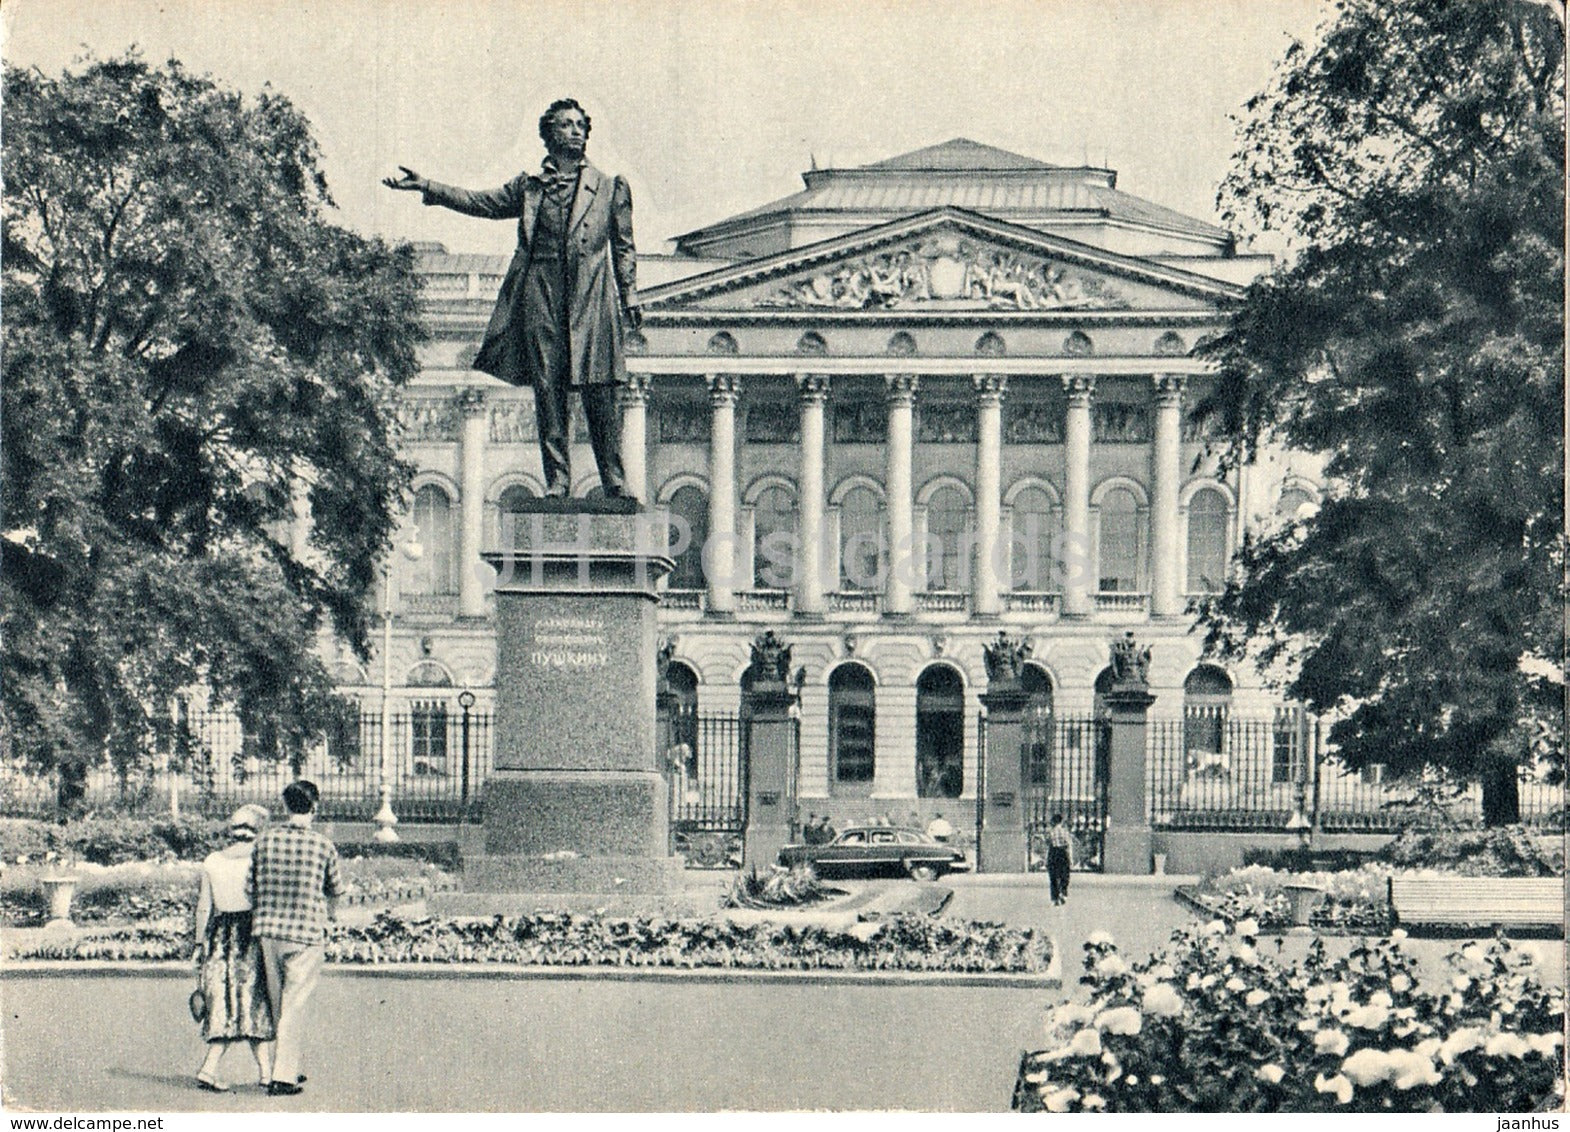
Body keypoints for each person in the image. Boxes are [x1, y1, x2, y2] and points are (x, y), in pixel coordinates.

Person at [384, 98, 641, 499]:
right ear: (549, 134)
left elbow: (624, 246)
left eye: (580, 125)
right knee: (548, 391)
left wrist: (630, 295)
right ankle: (558, 480)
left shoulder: (610, 187)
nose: (576, 131)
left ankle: (614, 479)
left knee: (600, 390)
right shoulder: (529, 188)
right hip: (542, 294)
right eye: (566, 124)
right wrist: (429, 186)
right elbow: (481, 203)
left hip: (591, 299)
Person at [248, 781, 342, 1096]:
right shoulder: (323, 845)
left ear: (285, 806)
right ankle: (283, 1077)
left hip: (269, 931)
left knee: (278, 1003)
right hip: (306, 933)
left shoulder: (264, 841)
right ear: (315, 807)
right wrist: (330, 917)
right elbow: (335, 889)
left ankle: (285, 1066)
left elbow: (249, 886)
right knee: (294, 1005)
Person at [193, 804, 275, 1092]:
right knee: (255, 1002)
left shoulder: (212, 861)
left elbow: (204, 906)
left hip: (219, 934)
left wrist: (198, 942)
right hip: (251, 933)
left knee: (223, 1003)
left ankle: (210, 1068)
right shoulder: (260, 859)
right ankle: (266, 1073)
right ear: (258, 831)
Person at [1046, 812, 1074, 906]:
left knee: (1053, 876)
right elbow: (1069, 846)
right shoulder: (1065, 832)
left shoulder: (1050, 832)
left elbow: (1048, 846)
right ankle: (1063, 893)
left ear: (1053, 822)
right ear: (1061, 822)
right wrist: (1071, 859)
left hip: (1053, 853)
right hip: (1063, 853)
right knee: (1064, 875)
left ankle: (1055, 898)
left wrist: (1047, 859)